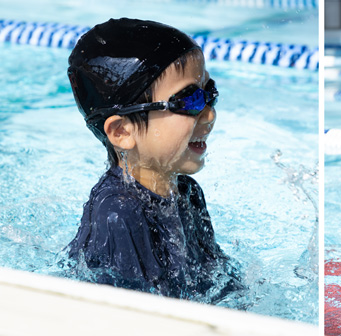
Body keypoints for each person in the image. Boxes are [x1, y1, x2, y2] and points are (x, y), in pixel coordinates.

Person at [65, 18, 242, 301]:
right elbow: (135, 316)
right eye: (189, 101)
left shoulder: (188, 192)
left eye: (209, 94)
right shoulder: (119, 214)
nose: (209, 114)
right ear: (122, 131)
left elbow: (221, 279)